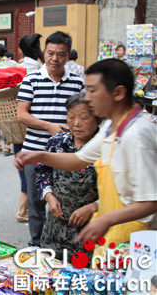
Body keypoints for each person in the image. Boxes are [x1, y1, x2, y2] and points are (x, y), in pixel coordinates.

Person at [16, 58, 157, 246]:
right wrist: (40, 155)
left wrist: (105, 219)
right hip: (112, 232)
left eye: (92, 90)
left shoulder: (138, 134)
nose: (87, 98)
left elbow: (150, 202)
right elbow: (79, 158)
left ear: (118, 93)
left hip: (135, 235)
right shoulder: (110, 126)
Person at [16, 31, 84, 247]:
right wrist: (48, 126)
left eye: (61, 55)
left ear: (68, 56)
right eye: (51, 53)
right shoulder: (31, 79)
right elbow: (22, 114)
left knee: (63, 202)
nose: (55, 59)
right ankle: (36, 244)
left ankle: (59, 245)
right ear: (44, 52)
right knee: (36, 204)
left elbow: (84, 115)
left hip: (67, 156)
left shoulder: (77, 82)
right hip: (34, 151)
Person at [35, 94, 100, 260]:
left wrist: (93, 207)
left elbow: (118, 191)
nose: (76, 123)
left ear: (98, 119)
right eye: (71, 117)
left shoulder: (106, 147)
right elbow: (42, 173)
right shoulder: (56, 143)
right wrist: (49, 196)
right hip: (55, 228)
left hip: (91, 230)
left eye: (84, 118)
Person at [12, 33, 45, 223]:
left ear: (21, 50)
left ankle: (23, 208)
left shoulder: (18, 68)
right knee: (34, 168)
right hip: (36, 128)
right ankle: (23, 209)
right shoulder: (41, 69)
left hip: (17, 126)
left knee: (23, 165)